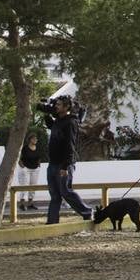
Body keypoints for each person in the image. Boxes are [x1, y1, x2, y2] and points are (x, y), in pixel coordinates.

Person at [43, 95, 92, 224]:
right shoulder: (58, 121)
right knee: (54, 195)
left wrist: (65, 166)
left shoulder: (70, 122)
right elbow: (50, 125)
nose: (56, 107)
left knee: (66, 191)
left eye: (59, 105)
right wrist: (46, 113)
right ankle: (52, 221)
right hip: (52, 163)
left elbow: (70, 146)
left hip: (63, 164)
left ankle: (87, 212)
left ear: (66, 107)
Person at [16, 132, 41, 209]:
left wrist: (39, 165)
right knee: (24, 185)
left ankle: (30, 203)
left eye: (36, 139)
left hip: (35, 169)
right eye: (34, 139)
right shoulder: (25, 148)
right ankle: (22, 203)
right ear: (30, 140)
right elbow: (20, 158)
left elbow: (39, 157)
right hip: (26, 169)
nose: (35, 140)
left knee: (33, 186)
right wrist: (23, 167)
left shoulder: (37, 148)